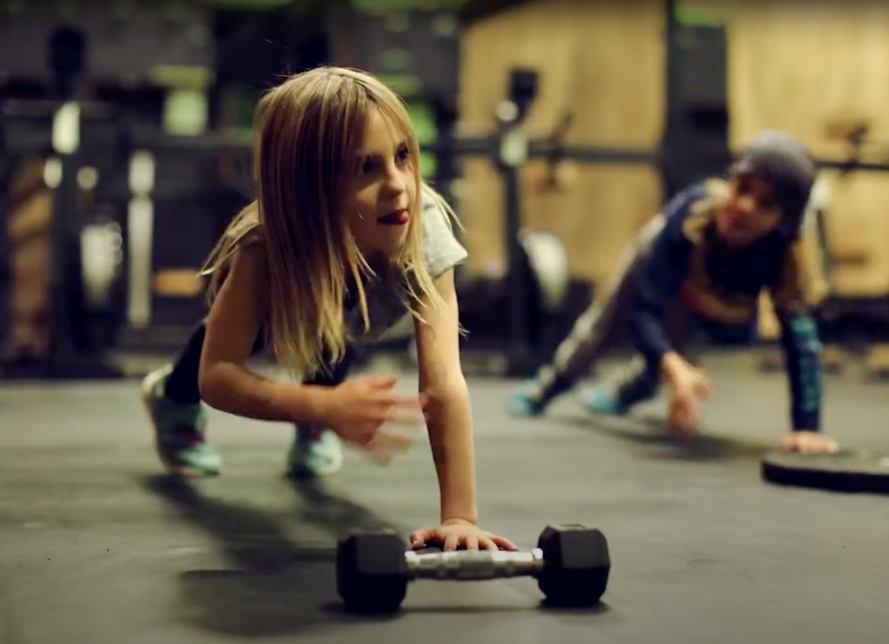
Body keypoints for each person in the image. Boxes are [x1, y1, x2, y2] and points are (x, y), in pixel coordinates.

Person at [140, 67, 516, 552]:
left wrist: (460, 516)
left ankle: (315, 422)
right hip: (288, 294)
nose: (398, 185)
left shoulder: (423, 231)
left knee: (344, 331)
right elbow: (219, 374)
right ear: (309, 190)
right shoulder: (264, 251)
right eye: (366, 168)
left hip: (357, 307)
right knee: (226, 340)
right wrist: (324, 407)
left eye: (402, 156)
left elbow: (443, 380)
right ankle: (170, 399)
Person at [508, 130, 839, 455]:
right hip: (664, 265)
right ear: (730, 182)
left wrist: (807, 427)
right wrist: (674, 368)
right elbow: (642, 309)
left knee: (709, 333)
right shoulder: (690, 217)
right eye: (743, 188)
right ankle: (550, 385)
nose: (746, 206)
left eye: (766, 204)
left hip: (711, 298)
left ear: (784, 223)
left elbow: (802, 344)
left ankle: (636, 386)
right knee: (603, 326)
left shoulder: (783, 257)